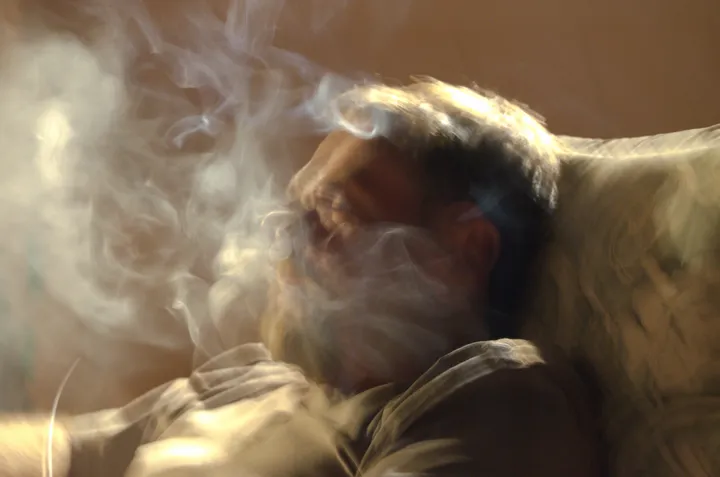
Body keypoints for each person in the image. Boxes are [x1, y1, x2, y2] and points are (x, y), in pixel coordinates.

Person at [0, 80, 603, 477]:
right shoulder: (254, 381)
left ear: (462, 252)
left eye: (336, 212)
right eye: (296, 211)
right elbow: (66, 450)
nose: (288, 238)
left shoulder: (492, 398)